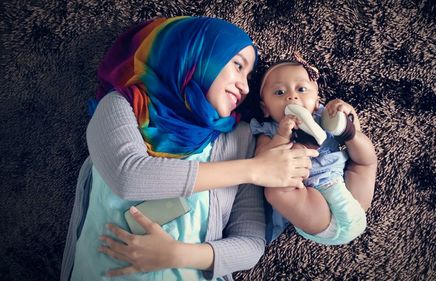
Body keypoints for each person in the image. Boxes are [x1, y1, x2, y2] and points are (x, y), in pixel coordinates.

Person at [60, 17, 318, 281]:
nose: (245, 86)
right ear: (197, 54)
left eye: (249, 76)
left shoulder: (240, 138)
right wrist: (255, 169)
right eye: (238, 66)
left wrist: (177, 255)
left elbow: (251, 244)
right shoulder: (121, 107)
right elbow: (128, 176)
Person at [250, 53, 377, 245]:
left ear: (317, 100)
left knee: (365, 160)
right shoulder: (268, 131)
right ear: (265, 108)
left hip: (351, 192)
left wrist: (346, 113)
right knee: (275, 191)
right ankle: (347, 132)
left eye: (301, 89)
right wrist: (282, 136)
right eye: (279, 93)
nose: (292, 96)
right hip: (316, 207)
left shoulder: (325, 116)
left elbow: (357, 136)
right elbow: (264, 162)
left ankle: (347, 131)